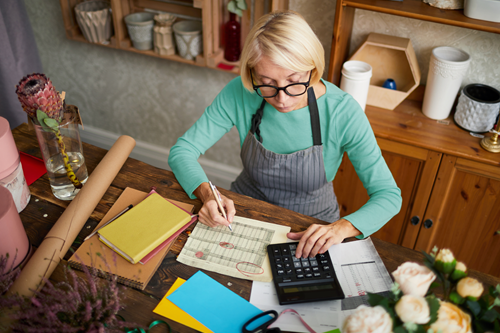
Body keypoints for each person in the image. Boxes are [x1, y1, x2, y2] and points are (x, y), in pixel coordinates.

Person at [168, 10, 402, 259]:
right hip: (245, 215)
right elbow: (182, 152)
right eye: (267, 83)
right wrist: (207, 194)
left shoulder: (343, 112)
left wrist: (342, 228)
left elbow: (388, 195)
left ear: (312, 68)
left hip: (313, 227)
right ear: (252, 74)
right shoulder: (240, 92)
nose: (281, 99)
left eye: (293, 81)